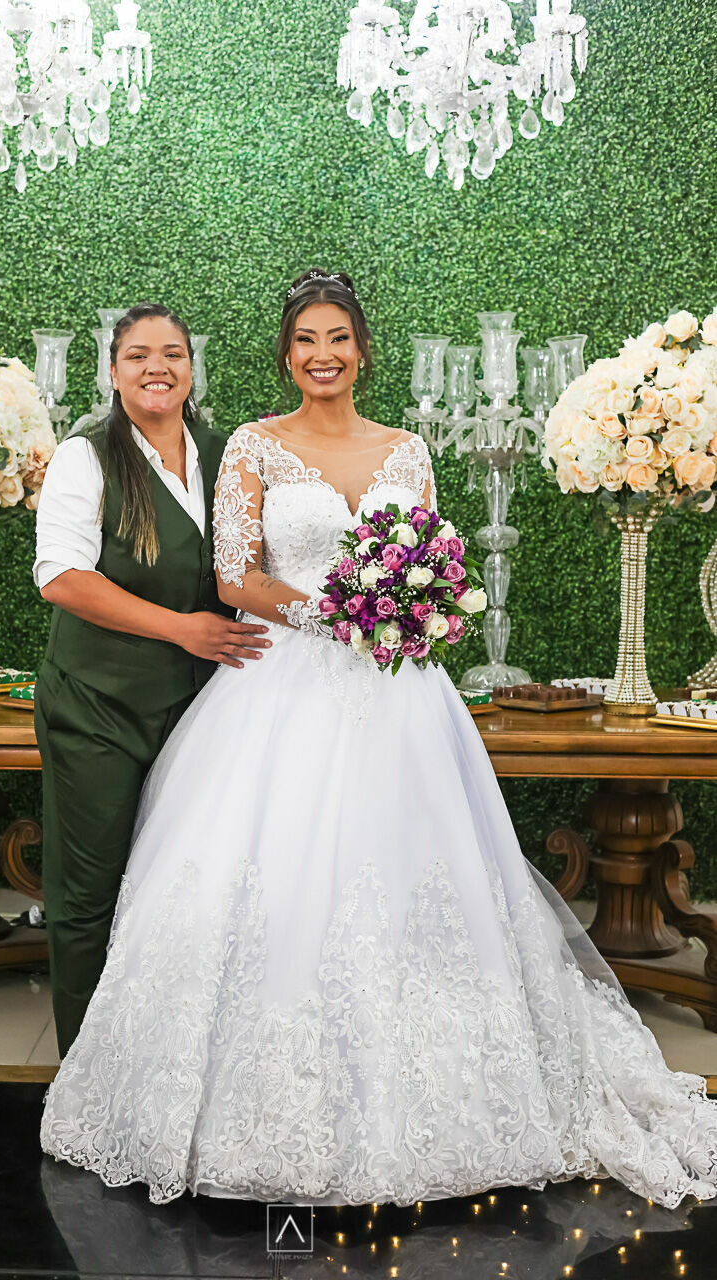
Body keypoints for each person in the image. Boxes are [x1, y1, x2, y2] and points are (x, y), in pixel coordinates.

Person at [40, 271, 717, 1209]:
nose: (323, 354)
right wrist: (339, 609)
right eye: (306, 340)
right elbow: (236, 577)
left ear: (362, 350)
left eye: (339, 339)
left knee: (412, 879)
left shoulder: (408, 449)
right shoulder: (250, 445)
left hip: (399, 694)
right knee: (267, 879)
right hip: (281, 686)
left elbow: (437, 560)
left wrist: (415, 607)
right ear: (286, 355)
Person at [33, 301, 270, 1058]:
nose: (157, 367)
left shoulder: (225, 449)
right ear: (112, 371)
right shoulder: (87, 455)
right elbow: (61, 578)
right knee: (88, 895)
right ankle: (81, 1071)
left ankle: (160, 1064)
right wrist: (182, 629)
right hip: (97, 708)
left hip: (197, 710)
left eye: (172, 353)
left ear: (193, 368)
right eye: (138, 355)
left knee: (181, 892)